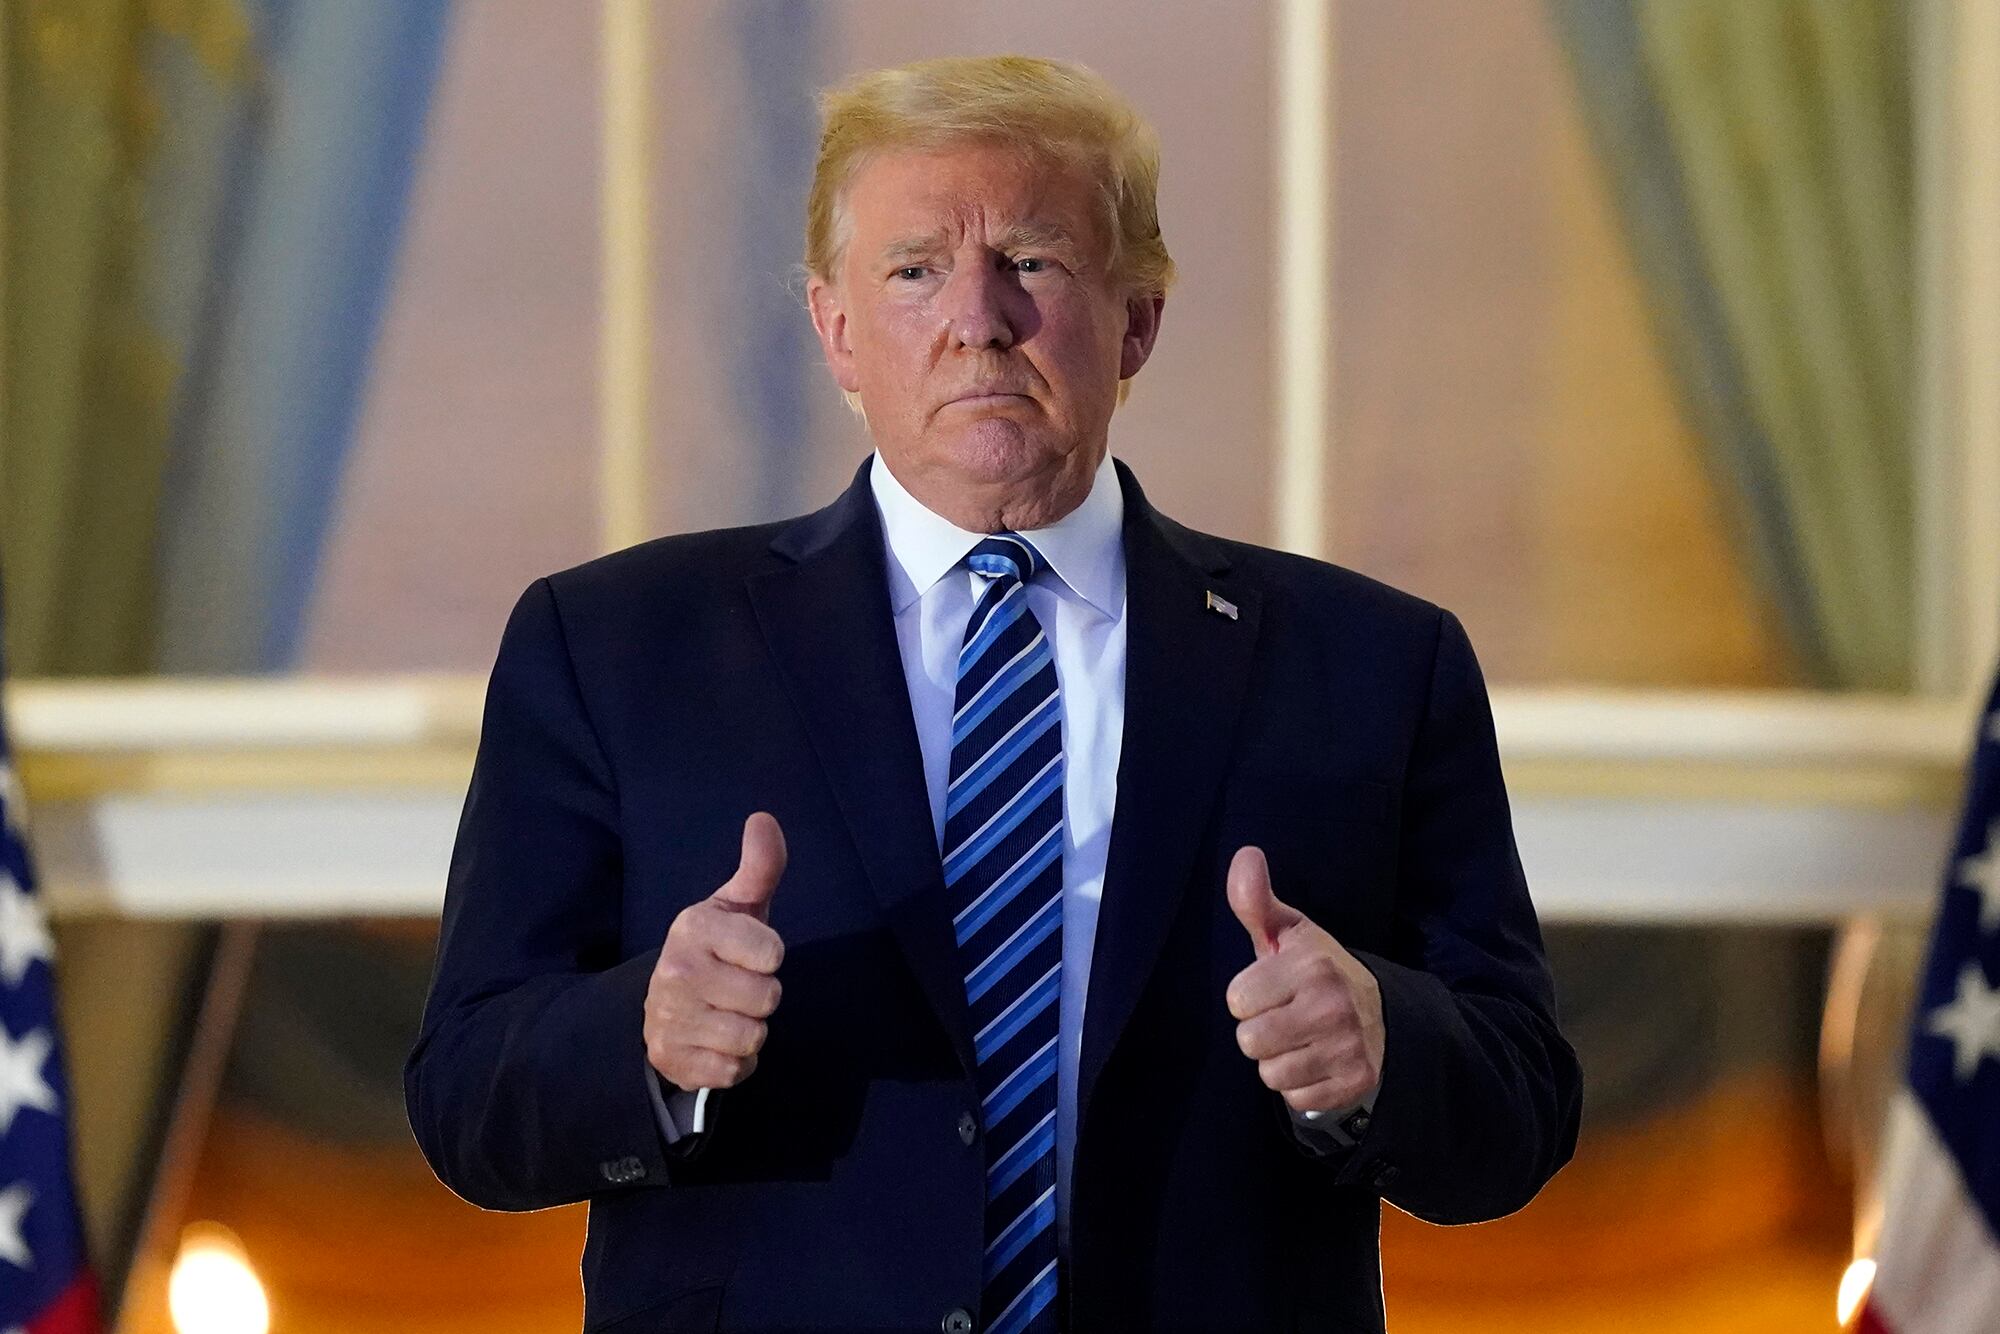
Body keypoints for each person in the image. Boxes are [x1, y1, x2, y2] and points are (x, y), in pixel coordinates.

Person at [404, 53, 1581, 1334]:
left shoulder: (1367, 666)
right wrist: (641, 1035)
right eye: (914, 269)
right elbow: (466, 1091)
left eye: (1031, 260)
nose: (977, 317)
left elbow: (1519, 1099)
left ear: (1136, 319)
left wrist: (1379, 1050)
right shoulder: (615, 647)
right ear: (836, 330)